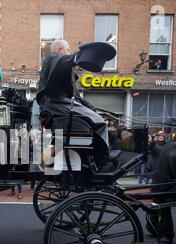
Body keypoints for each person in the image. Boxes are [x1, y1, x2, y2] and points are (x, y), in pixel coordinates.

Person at [36, 39, 117, 167]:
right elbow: (62, 61)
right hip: (58, 102)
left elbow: (76, 96)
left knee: (95, 119)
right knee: (99, 122)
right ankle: (103, 158)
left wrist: (90, 108)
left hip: (59, 103)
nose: (67, 53)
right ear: (59, 50)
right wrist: (78, 56)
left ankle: (95, 156)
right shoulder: (53, 58)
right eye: (67, 50)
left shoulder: (59, 68)